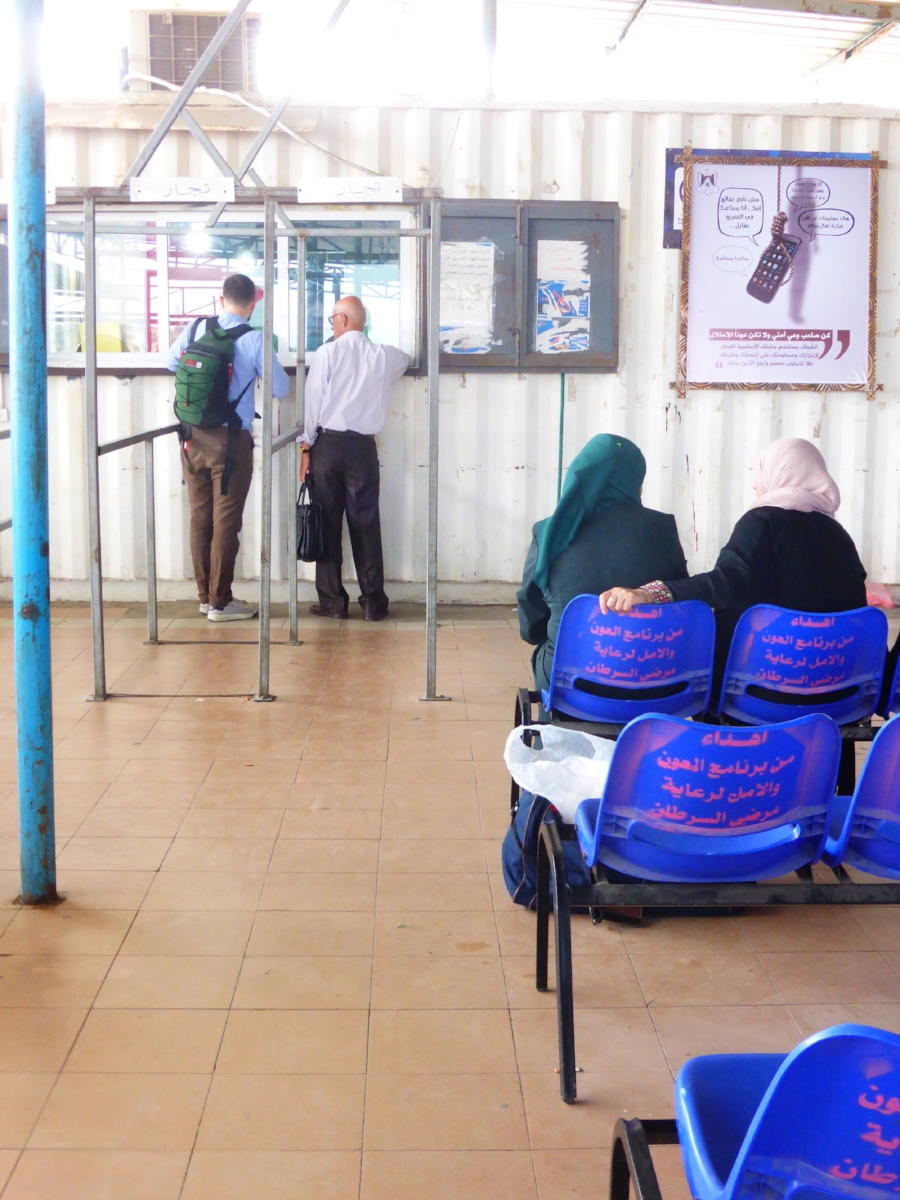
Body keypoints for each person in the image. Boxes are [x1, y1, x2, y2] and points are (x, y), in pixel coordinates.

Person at [599, 437, 868, 694]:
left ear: (780, 473)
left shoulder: (762, 521)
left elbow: (728, 581)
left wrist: (651, 594)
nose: (755, 484)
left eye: (761, 471)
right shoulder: (838, 535)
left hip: (756, 691)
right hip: (837, 692)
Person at [517, 433, 689, 691]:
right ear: (634, 484)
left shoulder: (550, 532)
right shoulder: (663, 527)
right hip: (657, 680)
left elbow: (530, 624)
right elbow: (680, 601)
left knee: (545, 651)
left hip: (573, 682)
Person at [167, 273, 289, 622]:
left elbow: (170, 363)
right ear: (253, 304)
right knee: (225, 521)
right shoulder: (254, 339)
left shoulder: (195, 329)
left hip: (191, 436)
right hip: (231, 441)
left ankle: (206, 597)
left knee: (200, 517)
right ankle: (221, 603)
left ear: (221, 300)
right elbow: (280, 388)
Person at [299, 295, 409, 620]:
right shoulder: (383, 356)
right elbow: (406, 359)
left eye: (333, 319)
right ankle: (374, 602)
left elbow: (313, 403)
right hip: (363, 449)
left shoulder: (328, 353)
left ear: (343, 320)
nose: (331, 324)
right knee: (366, 523)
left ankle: (333, 602)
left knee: (328, 522)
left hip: (328, 447)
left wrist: (306, 448)